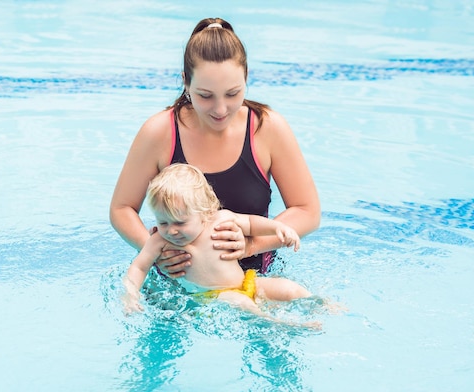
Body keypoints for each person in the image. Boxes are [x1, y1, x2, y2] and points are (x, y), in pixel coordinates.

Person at [110, 17, 320, 277]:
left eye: (233, 93)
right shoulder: (160, 132)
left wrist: (252, 245)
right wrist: (156, 252)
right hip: (178, 283)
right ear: (186, 82)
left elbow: (307, 211)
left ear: (246, 77)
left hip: (256, 279)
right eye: (205, 96)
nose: (220, 110)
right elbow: (122, 209)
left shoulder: (266, 128)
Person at [122, 164, 312, 319]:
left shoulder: (220, 220)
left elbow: (251, 224)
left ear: (203, 211)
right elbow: (139, 267)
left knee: (288, 288)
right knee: (242, 303)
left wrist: (278, 228)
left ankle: (323, 305)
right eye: (162, 222)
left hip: (247, 282)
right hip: (212, 297)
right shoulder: (159, 241)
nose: (171, 230)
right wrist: (130, 295)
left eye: (180, 222)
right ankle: (278, 325)